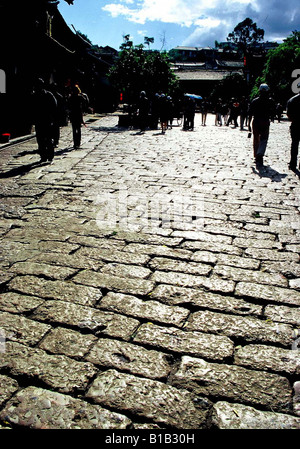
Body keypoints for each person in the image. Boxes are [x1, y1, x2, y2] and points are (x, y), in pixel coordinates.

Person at [248, 84, 275, 167]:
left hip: (256, 121)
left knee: (256, 138)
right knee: (264, 139)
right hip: (265, 121)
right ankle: (260, 154)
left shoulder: (254, 101)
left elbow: (250, 113)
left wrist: (248, 124)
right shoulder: (270, 101)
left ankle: (256, 155)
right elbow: (273, 112)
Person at [31, 78, 57, 163]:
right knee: (41, 139)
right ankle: (44, 156)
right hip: (40, 120)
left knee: (47, 139)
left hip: (46, 120)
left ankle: (48, 156)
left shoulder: (48, 95)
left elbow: (54, 105)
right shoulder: (35, 95)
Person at [286, 84, 300, 171]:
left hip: (295, 124)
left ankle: (293, 163)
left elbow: (288, 114)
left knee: (294, 144)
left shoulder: (292, 100)